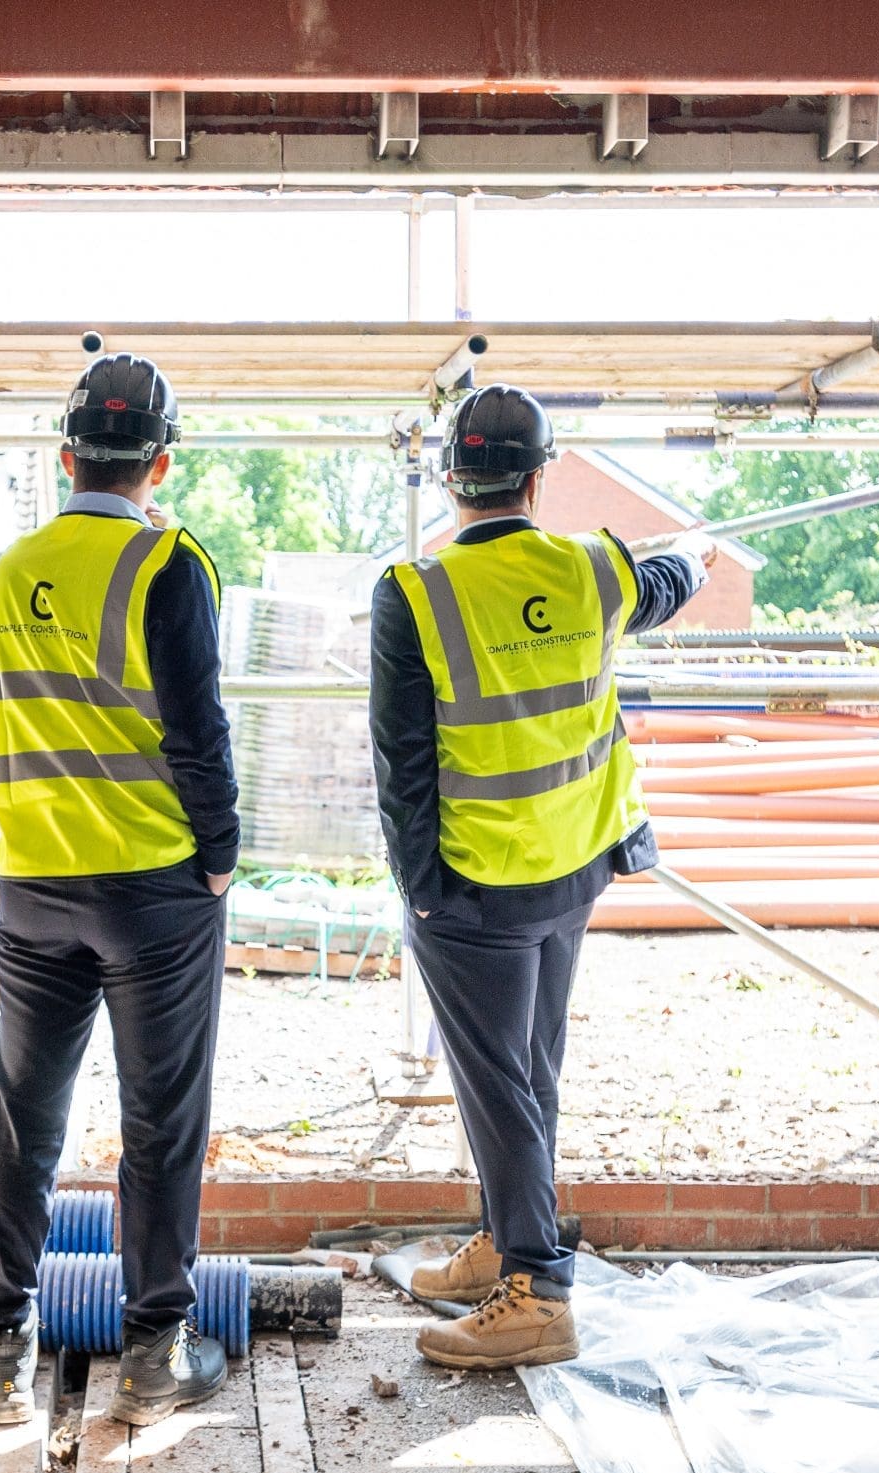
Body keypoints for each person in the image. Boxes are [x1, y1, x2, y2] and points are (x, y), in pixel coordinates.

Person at [371, 385, 706, 1369]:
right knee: (529, 1071)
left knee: (497, 1084)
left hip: (475, 885)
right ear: (538, 475)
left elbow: (401, 763)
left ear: (449, 477)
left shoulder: (417, 591)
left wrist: (419, 886)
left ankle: (537, 1288)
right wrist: (698, 550)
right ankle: (503, 1243)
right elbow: (667, 583)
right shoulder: (592, 568)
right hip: (573, 864)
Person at [0, 352, 239, 1425]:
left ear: (64, 454)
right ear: (159, 464)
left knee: (23, 1115)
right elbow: (197, 728)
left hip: (36, 883)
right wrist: (218, 849)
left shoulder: (4, 570)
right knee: (160, 1118)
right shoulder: (170, 565)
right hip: (152, 891)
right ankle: (153, 1353)